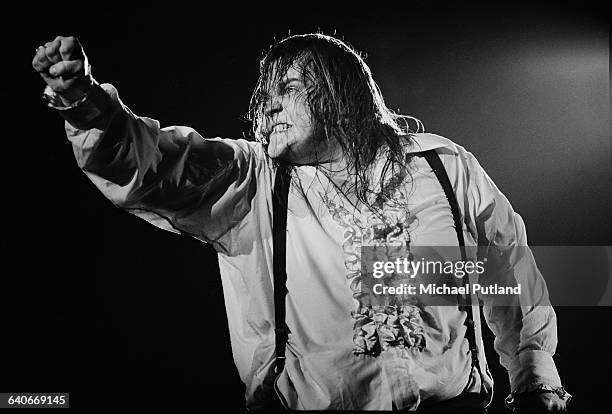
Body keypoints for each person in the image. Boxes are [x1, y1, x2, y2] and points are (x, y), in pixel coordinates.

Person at [33, 33, 571, 412]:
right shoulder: (252, 180)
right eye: (263, 92)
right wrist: (86, 106)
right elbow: (153, 168)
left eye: (285, 86)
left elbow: (509, 266)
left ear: (341, 94)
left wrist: (534, 376)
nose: (266, 105)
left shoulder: (442, 165)